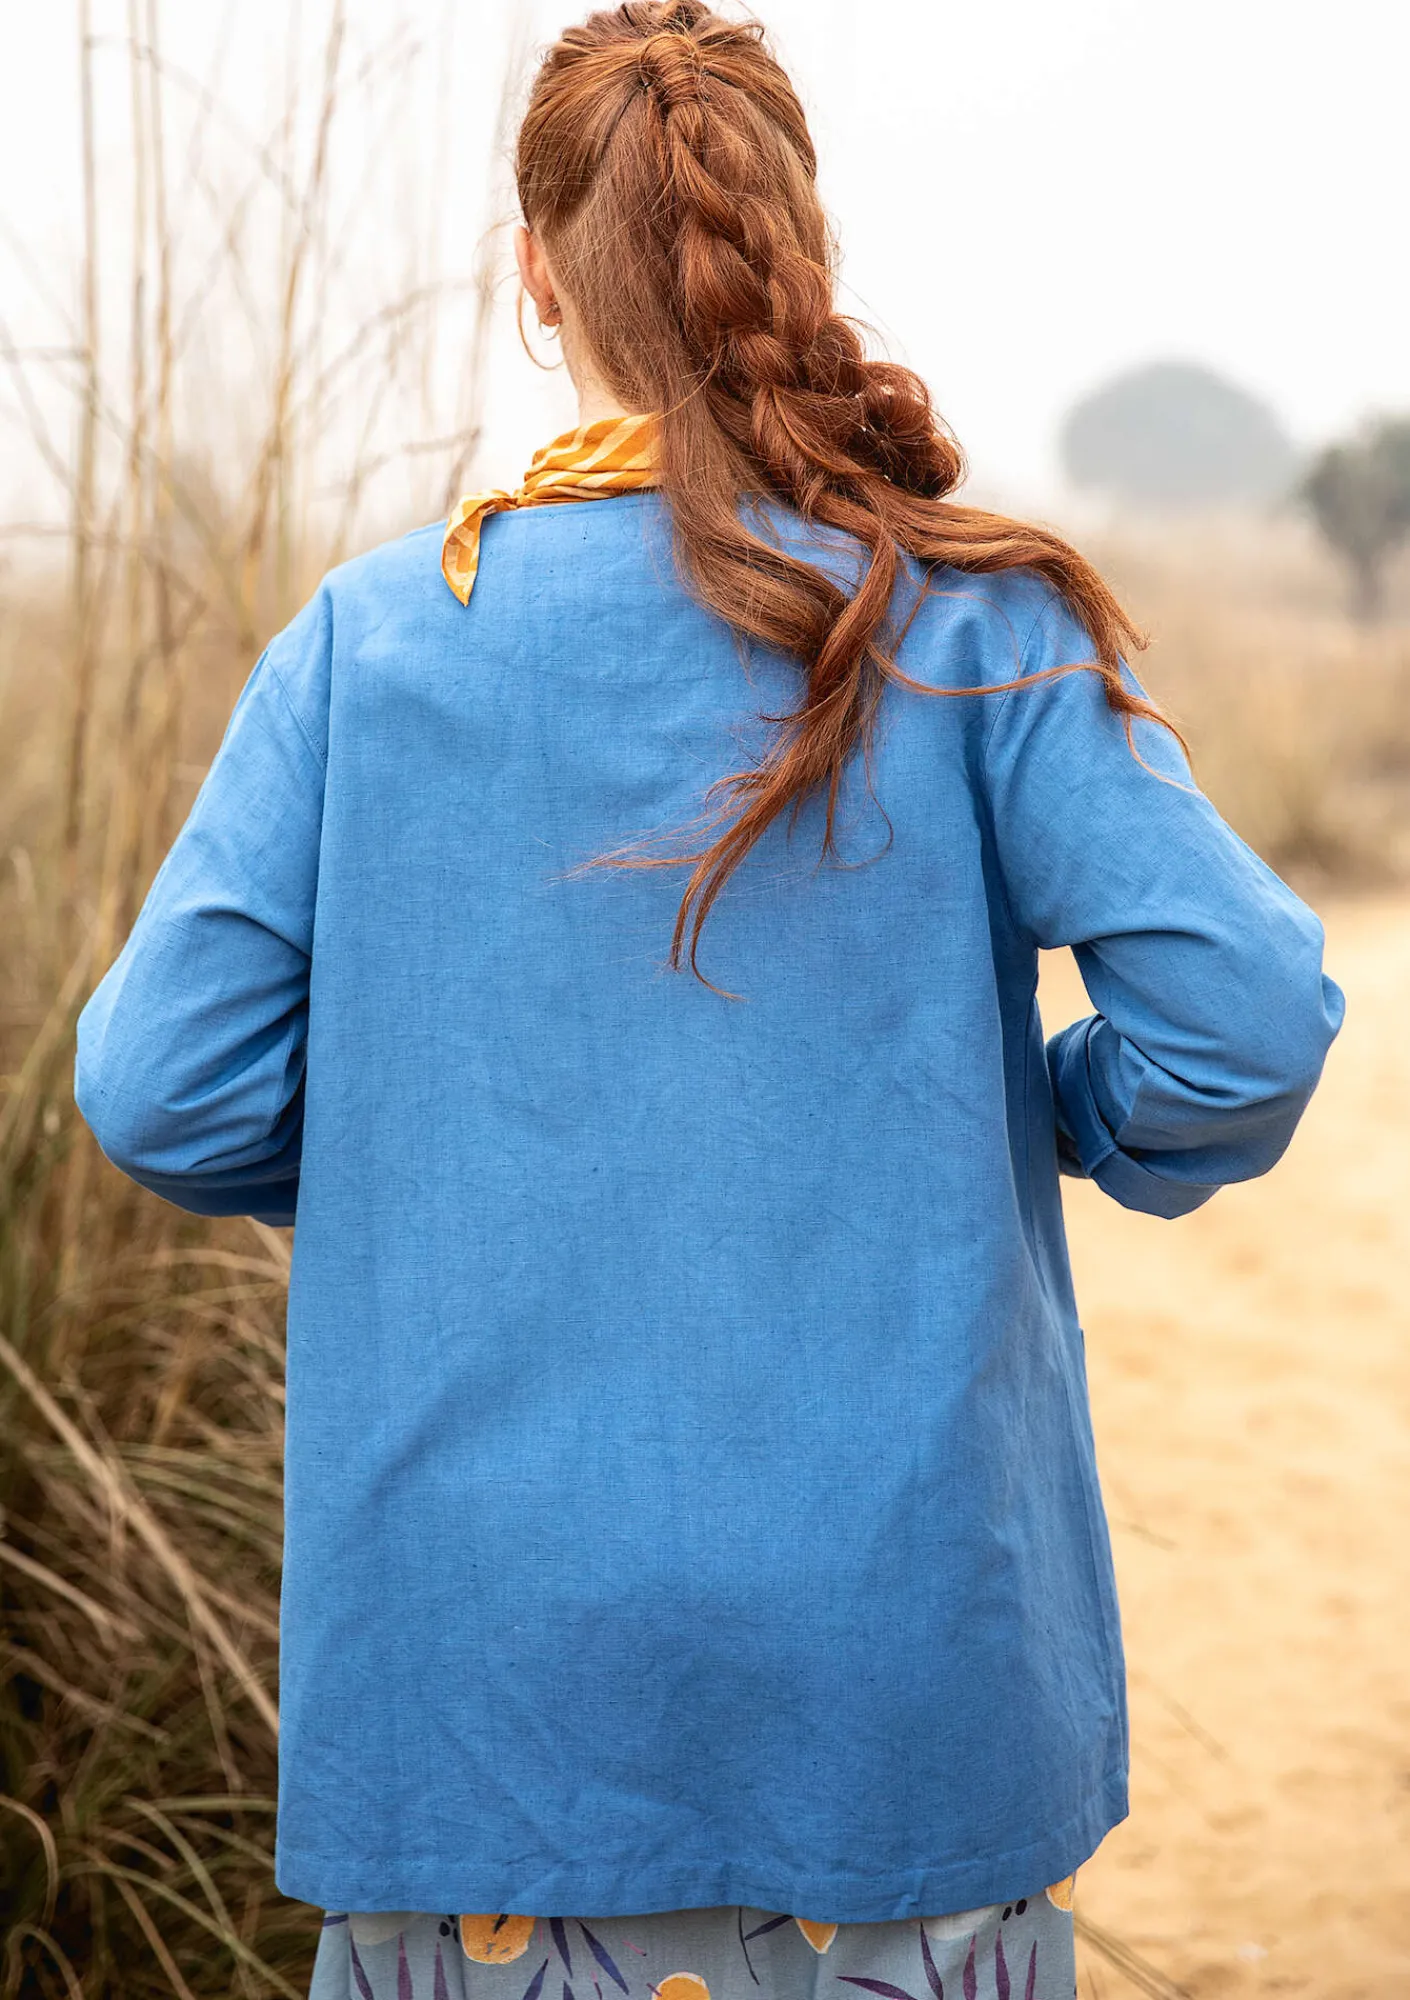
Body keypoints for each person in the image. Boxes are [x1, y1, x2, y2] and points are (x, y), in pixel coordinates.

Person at [73, 4, 1345, 1997]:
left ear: (529, 285)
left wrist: (437, 1145)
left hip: (484, 1708)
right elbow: (1248, 1019)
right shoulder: (957, 615)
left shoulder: (373, 644)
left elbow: (160, 1087)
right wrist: (1054, 1103)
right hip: (900, 1701)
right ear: (793, 249)